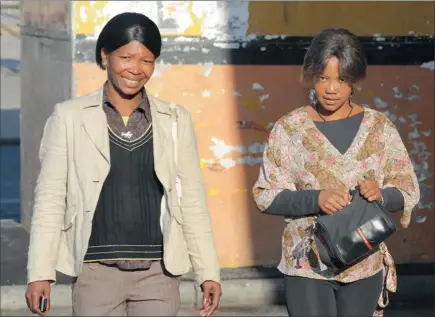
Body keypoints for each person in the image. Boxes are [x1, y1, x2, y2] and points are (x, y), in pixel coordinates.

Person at [25, 12, 222, 316]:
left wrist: (208, 271)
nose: (136, 69)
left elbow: (191, 199)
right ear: (105, 56)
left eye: (147, 60)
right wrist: (40, 272)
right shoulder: (69, 117)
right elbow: (50, 198)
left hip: (159, 275)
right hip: (95, 273)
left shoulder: (174, 120)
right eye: (126, 57)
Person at [252, 28, 420, 317]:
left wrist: (382, 195)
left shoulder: (379, 129)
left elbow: (408, 191)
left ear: (355, 80)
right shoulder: (289, 129)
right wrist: (316, 199)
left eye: (342, 79)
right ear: (311, 75)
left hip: (363, 260)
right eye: (323, 78)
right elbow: (266, 196)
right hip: (307, 263)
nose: (331, 89)